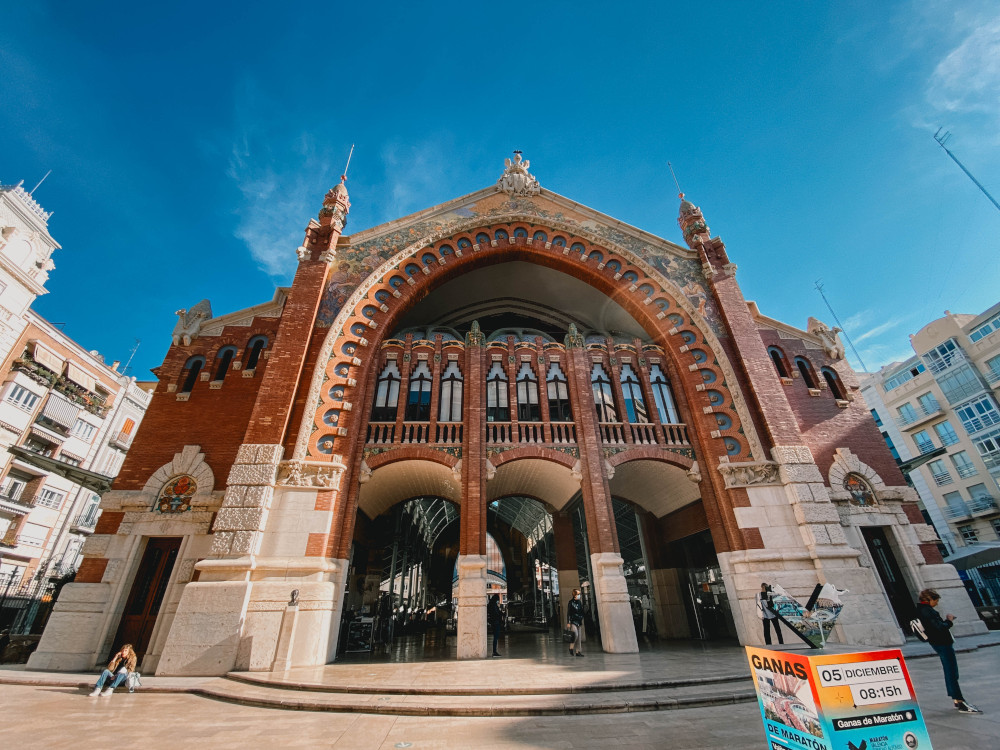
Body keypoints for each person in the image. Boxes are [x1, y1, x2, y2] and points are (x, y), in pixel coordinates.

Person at [916, 589, 982, 713]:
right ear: (929, 599)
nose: (937, 603)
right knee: (951, 672)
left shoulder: (922, 610)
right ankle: (960, 701)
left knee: (951, 671)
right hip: (942, 643)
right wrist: (949, 621)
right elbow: (939, 627)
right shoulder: (926, 611)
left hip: (939, 642)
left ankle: (956, 699)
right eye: (936, 600)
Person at [567, 588, 585, 657]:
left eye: (579, 594)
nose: (579, 595)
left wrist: (581, 617)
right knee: (575, 635)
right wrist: (568, 622)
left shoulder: (579, 602)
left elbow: (581, 611)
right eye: (578, 594)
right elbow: (568, 613)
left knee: (579, 637)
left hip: (579, 621)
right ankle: (571, 647)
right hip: (573, 621)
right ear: (574, 595)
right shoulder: (571, 602)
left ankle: (578, 651)